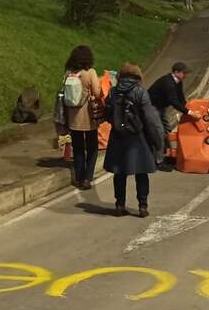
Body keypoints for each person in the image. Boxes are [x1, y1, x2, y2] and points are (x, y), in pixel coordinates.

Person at [103, 63, 164, 217]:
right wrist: (158, 142)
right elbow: (150, 119)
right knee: (141, 173)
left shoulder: (113, 92)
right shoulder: (140, 92)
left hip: (117, 137)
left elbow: (108, 114)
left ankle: (120, 205)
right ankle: (142, 206)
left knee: (119, 173)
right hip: (137, 138)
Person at [63, 45, 103, 190]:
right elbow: (97, 93)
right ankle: (87, 178)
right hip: (88, 116)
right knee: (92, 147)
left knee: (78, 148)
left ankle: (79, 177)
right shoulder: (90, 72)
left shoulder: (69, 73)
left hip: (73, 117)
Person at [148, 62, 196, 167]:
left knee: (167, 130)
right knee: (159, 133)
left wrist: (187, 108)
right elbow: (173, 100)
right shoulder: (168, 82)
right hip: (152, 108)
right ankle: (159, 161)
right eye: (184, 73)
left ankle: (168, 155)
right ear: (176, 72)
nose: (185, 75)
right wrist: (189, 112)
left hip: (161, 107)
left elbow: (180, 98)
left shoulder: (178, 82)